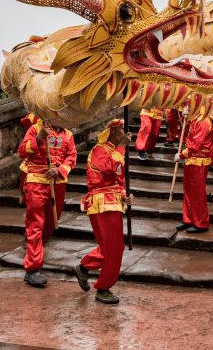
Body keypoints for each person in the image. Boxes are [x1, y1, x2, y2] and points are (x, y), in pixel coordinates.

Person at [74, 119, 134, 304]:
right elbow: (109, 169)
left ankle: (84, 268)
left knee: (112, 247)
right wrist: (122, 147)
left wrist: (124, 195)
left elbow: (119, 180)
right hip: (102, 203)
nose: (125, 133)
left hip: (113, 202)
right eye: (121, 130)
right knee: (114, 248)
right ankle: (103, 288)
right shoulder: (100, 149)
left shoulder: (116, 152)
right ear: (113, 132)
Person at [17, 117, 77, 287]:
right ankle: (32, 269)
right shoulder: (36, 129)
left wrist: (60, 170)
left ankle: (35, 250)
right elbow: (22, 152)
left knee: (51, 224)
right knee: (36, 224)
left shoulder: (68, 134)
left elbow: (72, 156)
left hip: (57, 183)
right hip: (36, 181)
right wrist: (38, 138)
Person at [175, 103, 213, 233]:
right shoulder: (195, 119)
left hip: (199, 160)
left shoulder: (202, 121)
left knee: (197, 193)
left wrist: (181, 155)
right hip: (192, 160)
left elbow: (196, 145)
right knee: (189, 190)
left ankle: (201, 222)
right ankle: (189, 218)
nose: (186, 109)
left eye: (189, 107)